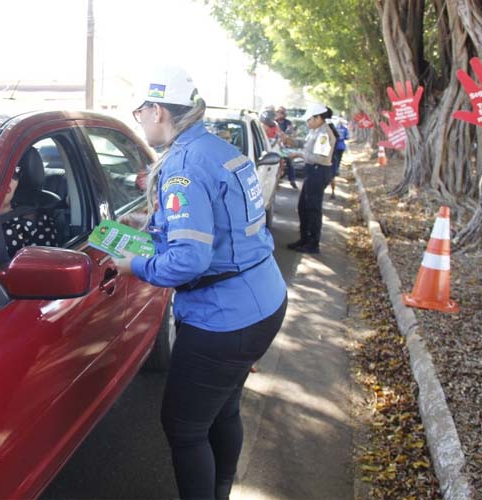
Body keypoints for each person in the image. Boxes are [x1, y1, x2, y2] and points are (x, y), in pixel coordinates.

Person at [112, 66, 287, 500]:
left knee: (184, 427)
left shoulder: (182, 168)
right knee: (223, 408)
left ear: (157, 110)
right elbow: (224, 223)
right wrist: (154, 226)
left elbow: (189, 261)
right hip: (262, 299)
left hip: (223, 319)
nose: (140, 121)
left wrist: (135, 266)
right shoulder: (216, 149)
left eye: (140, 112)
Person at [286, 103, 336, 254]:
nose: (307, 123)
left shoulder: (324, 134)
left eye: (309, 119)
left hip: (318, 171)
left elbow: (320, 158)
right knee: (303, 207)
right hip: (312, 171)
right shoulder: (316, 131)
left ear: (318, 118)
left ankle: (313, 243)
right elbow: (308, 147)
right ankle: (304, 238)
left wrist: (299, 155)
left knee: (313, 209)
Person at [329, 118, 349, 199]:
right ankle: (332, 192)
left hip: (328, 157)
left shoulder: (330, 136)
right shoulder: (344, 129)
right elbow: (347, 137)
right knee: (338, 160)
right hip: (340, 147)